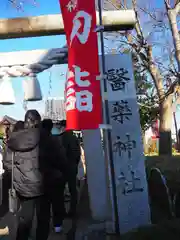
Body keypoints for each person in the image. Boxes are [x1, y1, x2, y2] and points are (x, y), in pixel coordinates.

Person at [3, 110, 68, 240]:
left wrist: (19, 176)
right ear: (37, 121)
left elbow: (7, 164)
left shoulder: (14, 139)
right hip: (45, 185)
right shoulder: (48, 138)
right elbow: (61, 160)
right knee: (43, 219)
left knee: (25, 219)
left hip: (23, 189)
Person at [41, 119, 67, 233]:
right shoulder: (55, 140)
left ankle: (43, 226)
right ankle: (57, 225)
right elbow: (62, 159)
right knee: (57, 202)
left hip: (41, 177)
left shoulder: (36, 141)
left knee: (44, 205)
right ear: (51, 127)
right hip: (55, 176)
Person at [59, 120, 81, 218]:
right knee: (73, 191)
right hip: (72, 167)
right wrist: (75, 164)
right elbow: (78, 154)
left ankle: (62, 211)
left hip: (62, 168)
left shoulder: (61, 138)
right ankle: (73, 211)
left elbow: (59, 154)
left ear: (63, 127)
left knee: (60, 191)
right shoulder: (75, 138)